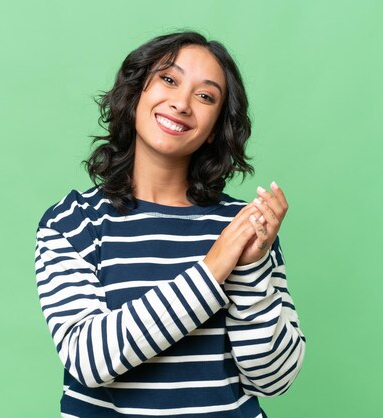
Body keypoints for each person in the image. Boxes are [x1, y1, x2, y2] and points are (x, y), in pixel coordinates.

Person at [34, 31, 306, 418]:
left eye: (205, 96)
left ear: (215, 127)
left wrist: (247, 269)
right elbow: (89, 359)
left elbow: (274, 379)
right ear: (136, 93)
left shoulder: (244, 227)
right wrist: (214, 268)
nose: (181, 103)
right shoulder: (74, 221)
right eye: (169, 79)